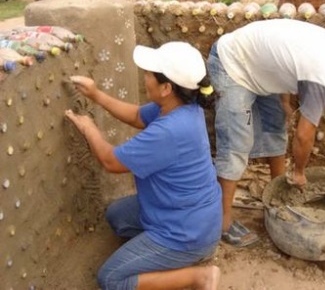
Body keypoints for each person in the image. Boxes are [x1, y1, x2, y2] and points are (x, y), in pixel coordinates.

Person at [206, 18, 325, 247]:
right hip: (232, 64)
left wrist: (284, 99)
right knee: (237, 145)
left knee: (275, 128)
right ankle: (222, 224)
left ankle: (278, 197)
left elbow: (285, 61)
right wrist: (299, 171)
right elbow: (304, 135)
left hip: (256, 66)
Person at [65, 41, 222, 290]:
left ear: (166, 87)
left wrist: (88, 128)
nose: (145, 77)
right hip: (191, 215)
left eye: (149, 74)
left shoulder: (169, 131)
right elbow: (138, 116)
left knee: (111, 278)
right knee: (117, 216)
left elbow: (110, 161)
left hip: (187, 232)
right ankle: (163, 255)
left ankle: (198, 276)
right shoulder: (183, 107)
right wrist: (95, 95)